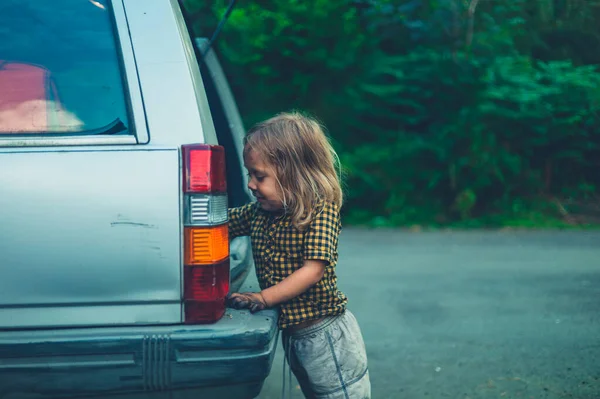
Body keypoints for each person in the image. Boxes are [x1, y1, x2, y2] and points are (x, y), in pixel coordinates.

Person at [226, 112, 371, 399]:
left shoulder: (320, 211)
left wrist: (263, 298)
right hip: (296, 334)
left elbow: (313, 269)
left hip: (325, 334)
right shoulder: (260, 213)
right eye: (249, 174)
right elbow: (220, 223)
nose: (251, 185)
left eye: (259, 176)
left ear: (293, 175)